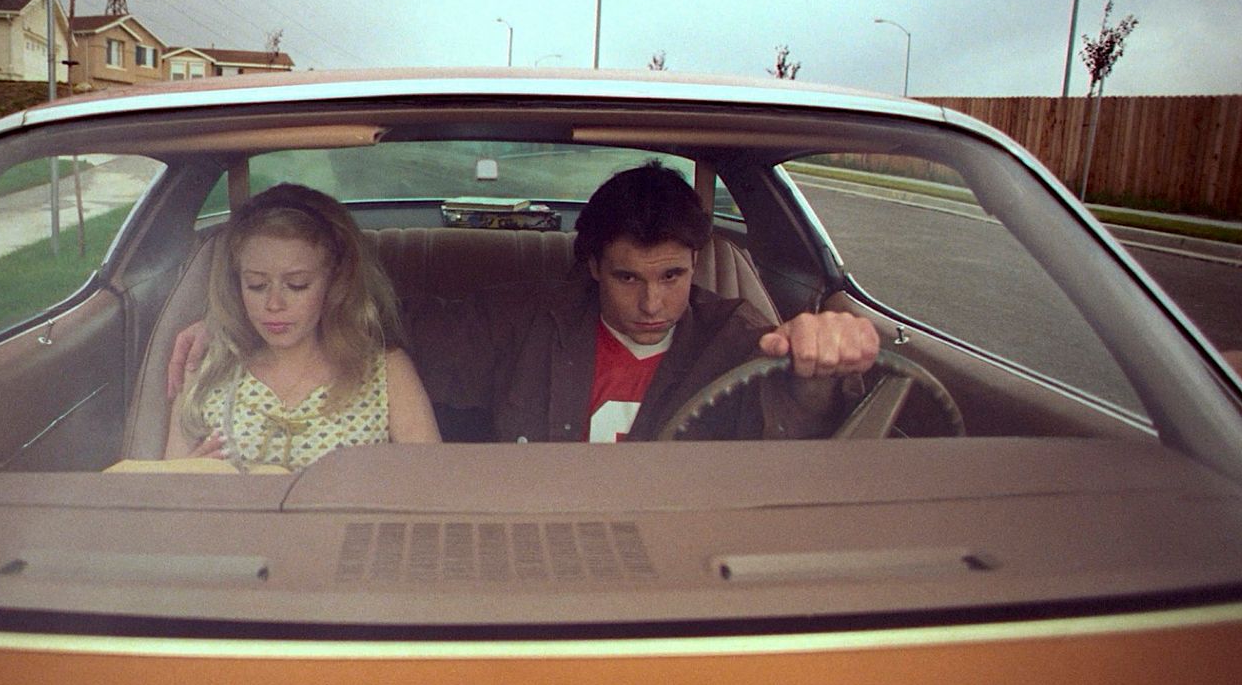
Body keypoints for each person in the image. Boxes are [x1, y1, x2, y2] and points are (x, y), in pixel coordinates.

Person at [171, 163, 877, 444]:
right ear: (593, 265)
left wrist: (826, 363)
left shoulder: (738, 336)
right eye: (629, 278)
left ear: (698, 265)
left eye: (674, 275)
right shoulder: (531, 321)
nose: (654, 302)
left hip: (680, 563)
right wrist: (246, 320)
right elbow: (382, 317)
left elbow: (796, 434)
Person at [165, 183, 440, 469]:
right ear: (237, 284)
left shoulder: (386, 371)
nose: (274, 304)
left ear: (335, 282)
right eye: (256, 285)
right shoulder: (208, 363)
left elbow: (431, 484)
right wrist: (184, 476)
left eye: (297, 285)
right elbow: (159, 488)